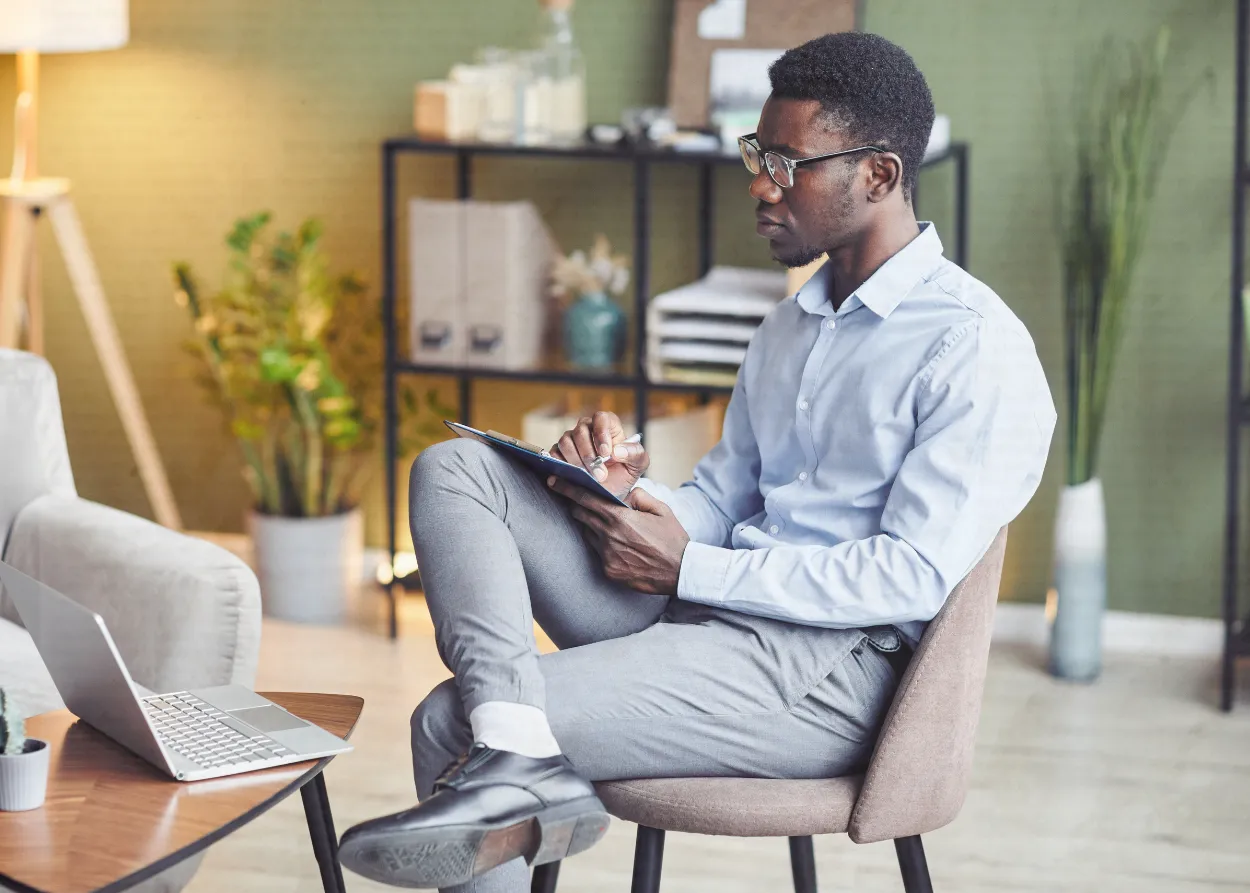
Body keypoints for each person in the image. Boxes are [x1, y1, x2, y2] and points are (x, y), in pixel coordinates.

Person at [339, 30, 1056, 892]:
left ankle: (506, 751)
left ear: (880, 176)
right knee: (457, 472)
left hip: (823, 673)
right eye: (760, 153)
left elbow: (907, 576)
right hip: (708, 614)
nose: (760, 183)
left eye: (789, 162)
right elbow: (725, 493)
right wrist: (629, 494)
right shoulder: (790, 325)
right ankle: (515, 755)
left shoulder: (971, 347)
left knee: (446, 720)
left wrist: (697, 568)